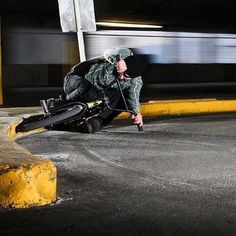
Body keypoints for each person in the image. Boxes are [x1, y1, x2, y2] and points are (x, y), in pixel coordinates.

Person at [48, 48, 147, 133]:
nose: (122, 78)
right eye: (124, 74)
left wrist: (136, 113)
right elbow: (108, 52)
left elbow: (133, 97)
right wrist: (118, 60)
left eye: (127, 78)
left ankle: (95, 123)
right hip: (75, 79)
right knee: (90, 92)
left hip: (96, 92)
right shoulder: (124, 54)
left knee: (123, 102)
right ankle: (59, 103)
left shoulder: (136, 82)